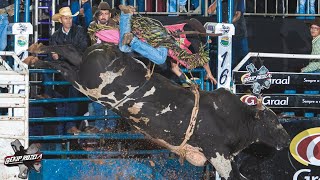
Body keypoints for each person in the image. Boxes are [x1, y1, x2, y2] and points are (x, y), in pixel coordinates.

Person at [119, 5, 217, 85]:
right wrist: (209, 73)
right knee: (160, 58)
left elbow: (175, 68)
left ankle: (125, 15)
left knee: (123, 48)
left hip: (156, 36)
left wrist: (189, 83)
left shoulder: (181, 50)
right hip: (162, 37)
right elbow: (203, 59)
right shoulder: (191, 37)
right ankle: (132, 40)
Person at [50, 7, 89, 134]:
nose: (69, 20)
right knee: (67, 100)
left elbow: (81, 50)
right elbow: (56, 53)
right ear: (61, 20)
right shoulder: (57, 35)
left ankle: (69, 126)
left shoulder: (78, 31)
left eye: (70, 18)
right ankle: (69, 127)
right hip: (65, 71)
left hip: (76, 71)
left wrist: (60, 56)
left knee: (70, 98)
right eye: (66, 18)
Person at [208, 0, 248, 69]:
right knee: (225, 59)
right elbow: (209, 11)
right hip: (223, 34)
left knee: (242, 58)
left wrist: (227, 24)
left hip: (238, 32)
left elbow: (238, 15)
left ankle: (241, 76)